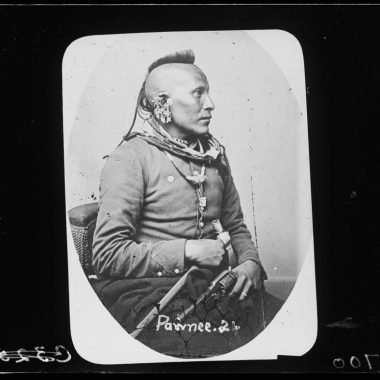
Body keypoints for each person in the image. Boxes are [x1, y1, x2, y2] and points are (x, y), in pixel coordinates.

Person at [91, 50, 270, 357]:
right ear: (162, 104)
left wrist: (250, 262)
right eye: (198, 94)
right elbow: (107, 256)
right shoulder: (130, 158)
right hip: (148, 293)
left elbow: (236, 226)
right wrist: (188, 250)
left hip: (215, 286)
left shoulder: (212, 155)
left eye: (208, 93)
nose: (210, 104)